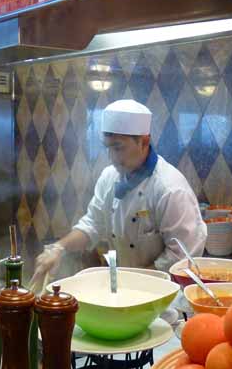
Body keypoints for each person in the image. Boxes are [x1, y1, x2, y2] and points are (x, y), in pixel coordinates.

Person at [31, 99, 206, 286]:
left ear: (144, 142)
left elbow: (181, 258)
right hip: (126, 290)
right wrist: (58, 248)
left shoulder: (170, 189)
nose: (112, 157)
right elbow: (92, 225)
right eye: (108, 148)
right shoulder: (109, 177)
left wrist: (130, 283)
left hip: (165, 298)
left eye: (119, 147)